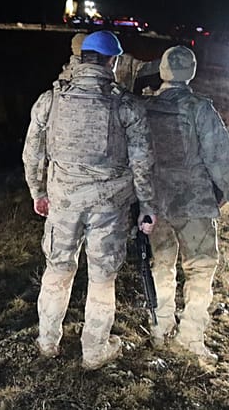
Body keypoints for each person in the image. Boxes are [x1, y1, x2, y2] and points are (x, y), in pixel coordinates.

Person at [22, 30, 157, 370]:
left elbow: (31, 153)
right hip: (109, 208)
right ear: (113, 62)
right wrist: (147, 207)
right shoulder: (126, 104)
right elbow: (143, 162)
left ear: (82, 59)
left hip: (63, 202)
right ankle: (94, 351)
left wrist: (38, 192)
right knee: (101, 278)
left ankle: (48, 341)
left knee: (57, 270)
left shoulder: (51, 99)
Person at [141, 45, 229, 370]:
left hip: (156, 199)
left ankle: (160, 326)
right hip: (194, 202)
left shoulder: (146, 107)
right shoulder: (200, 108)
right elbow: (220, 155)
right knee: (201, 268)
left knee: (161, 264)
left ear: (164, 70)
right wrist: (225, 190)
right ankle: (191, 337)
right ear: (190, 72)